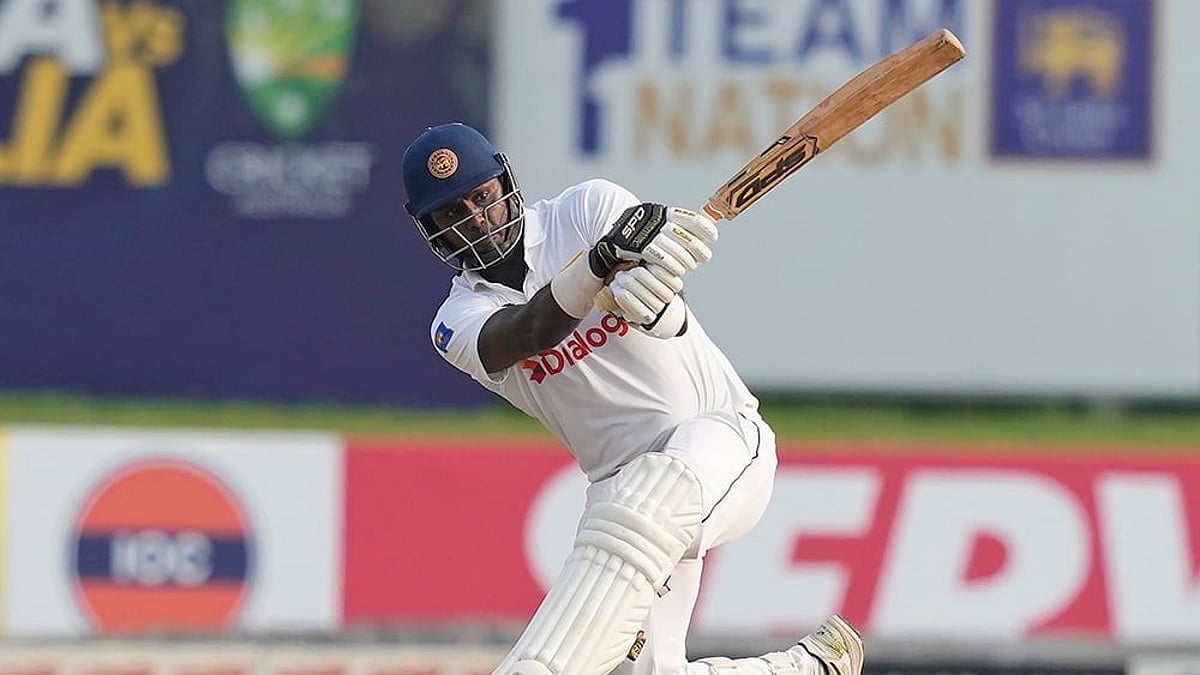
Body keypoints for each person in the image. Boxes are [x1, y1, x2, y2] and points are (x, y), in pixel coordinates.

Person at [402, 122, 864, 675]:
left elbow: (665, 303)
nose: (476, 218)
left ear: (505, 184)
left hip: (721, 438)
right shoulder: (454, 321)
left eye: (481, 197)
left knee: (648, 493)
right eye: (454, 212)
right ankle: (809, 668)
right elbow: (525, 333)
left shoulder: (585, 209)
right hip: (622, 494)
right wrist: (596, 268)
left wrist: (658, 294)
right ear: (431, 229)